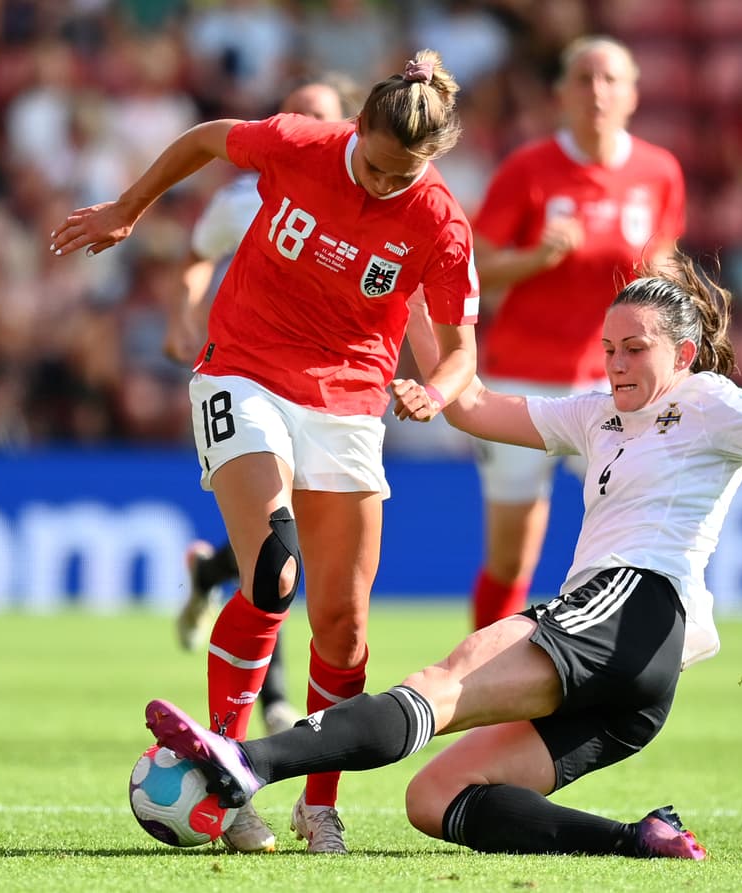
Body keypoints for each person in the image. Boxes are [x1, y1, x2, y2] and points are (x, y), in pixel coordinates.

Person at [141, 254, 742, 859]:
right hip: (637, 685)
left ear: (685, 355)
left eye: (637, 349)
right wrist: (414, 328)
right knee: (435, 800)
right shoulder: (596, 413)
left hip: (632, 604)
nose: (618, 363)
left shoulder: (711, 403)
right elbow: (475, 406)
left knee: (445, 681)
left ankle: (247, 761)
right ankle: (640, 839)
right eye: (611, 347)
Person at [52, 50, 480, 855]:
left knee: (346, 629)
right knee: (272, 570)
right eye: (380, 169)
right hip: (244, 367)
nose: (388, 187)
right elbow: (210, 137)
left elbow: (461, 350)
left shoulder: (441, 223)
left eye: (406, 176)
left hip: (351, 401)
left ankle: (319, 804)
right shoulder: (300, 145)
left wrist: (439, 391)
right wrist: (129, 206)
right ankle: (227, 772)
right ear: (356, 131)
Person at [166, 76, 361, 745]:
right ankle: (266, 702)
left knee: (285, 544)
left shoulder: (358, 199)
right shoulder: (238, 198)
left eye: (323, 116)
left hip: (328, 393)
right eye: (298, 114)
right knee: (277, 551)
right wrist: (185, 311)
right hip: (248, 373)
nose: (309, 125)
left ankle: (206, 572)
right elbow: (197, 256)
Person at [467, 36, 685, 630]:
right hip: (521, 377)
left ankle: (611, 668)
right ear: (561, 93)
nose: (597, 90)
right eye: (584, 78)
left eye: (610, 79)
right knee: (512, 557)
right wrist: (536, 258)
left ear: (633, 94)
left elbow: (662, 260)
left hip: (613, 381)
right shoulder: (528, 168)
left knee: (629, 538)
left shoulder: (658, 172)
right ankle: (478, 681)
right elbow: (475, 264)